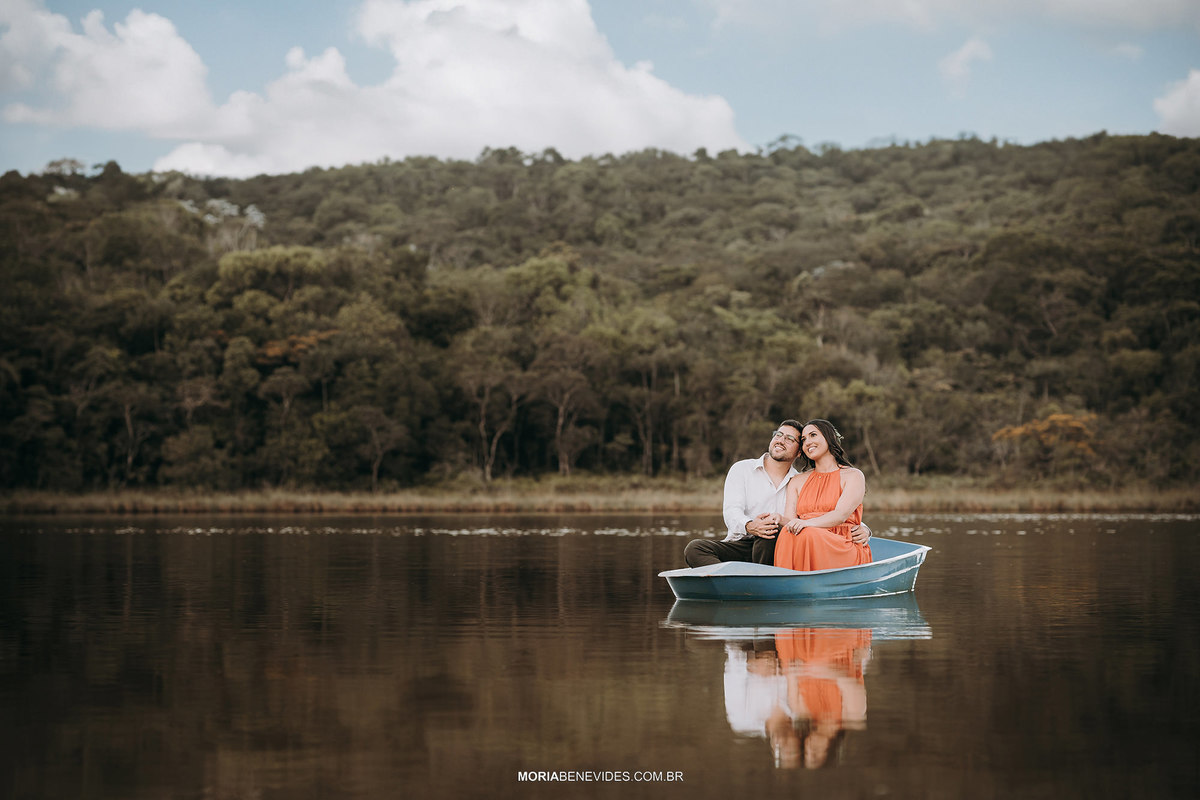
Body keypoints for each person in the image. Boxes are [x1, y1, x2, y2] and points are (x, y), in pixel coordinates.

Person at [683, 420, 869, 568]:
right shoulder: (743, 469)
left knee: (772, 533)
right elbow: (732, 511)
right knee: (695, 548)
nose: (781, 440)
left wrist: (864, 528)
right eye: (778, 435)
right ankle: (728, 582)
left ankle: (759, 581)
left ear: (798, 453)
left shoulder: (798, 479)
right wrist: (750, 525)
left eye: (790, 439)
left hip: (775, 545)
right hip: (743, 541)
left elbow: (838, 513)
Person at [774, 419, 872, 572]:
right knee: (787, 533)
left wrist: (807, 524)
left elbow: (840, 515)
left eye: (813, 435)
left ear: (829, 438)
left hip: (841, 543)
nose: (807, 442)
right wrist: (779, 519)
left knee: (808, 534)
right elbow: (791, 521)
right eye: (804, 440)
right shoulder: (797, 481)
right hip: (807, 538)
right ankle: (787, 581)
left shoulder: (853, 475)